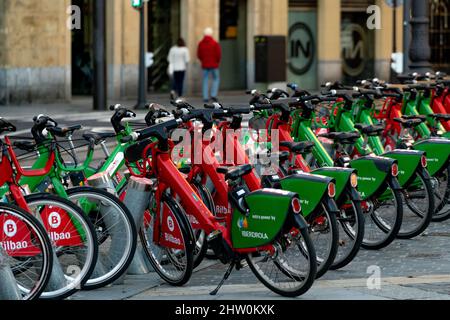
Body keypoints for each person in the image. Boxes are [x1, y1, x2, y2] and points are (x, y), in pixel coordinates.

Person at [197, 27, 222, 103]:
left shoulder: (201, 43)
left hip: (205, 64)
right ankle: (213, 95)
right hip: (214, 64)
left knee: (205, 80)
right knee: (216, 79)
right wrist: (217, 62)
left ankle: (205, 97)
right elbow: (218, 54)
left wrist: (203, 61)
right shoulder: (214, 43)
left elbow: (199, 54)